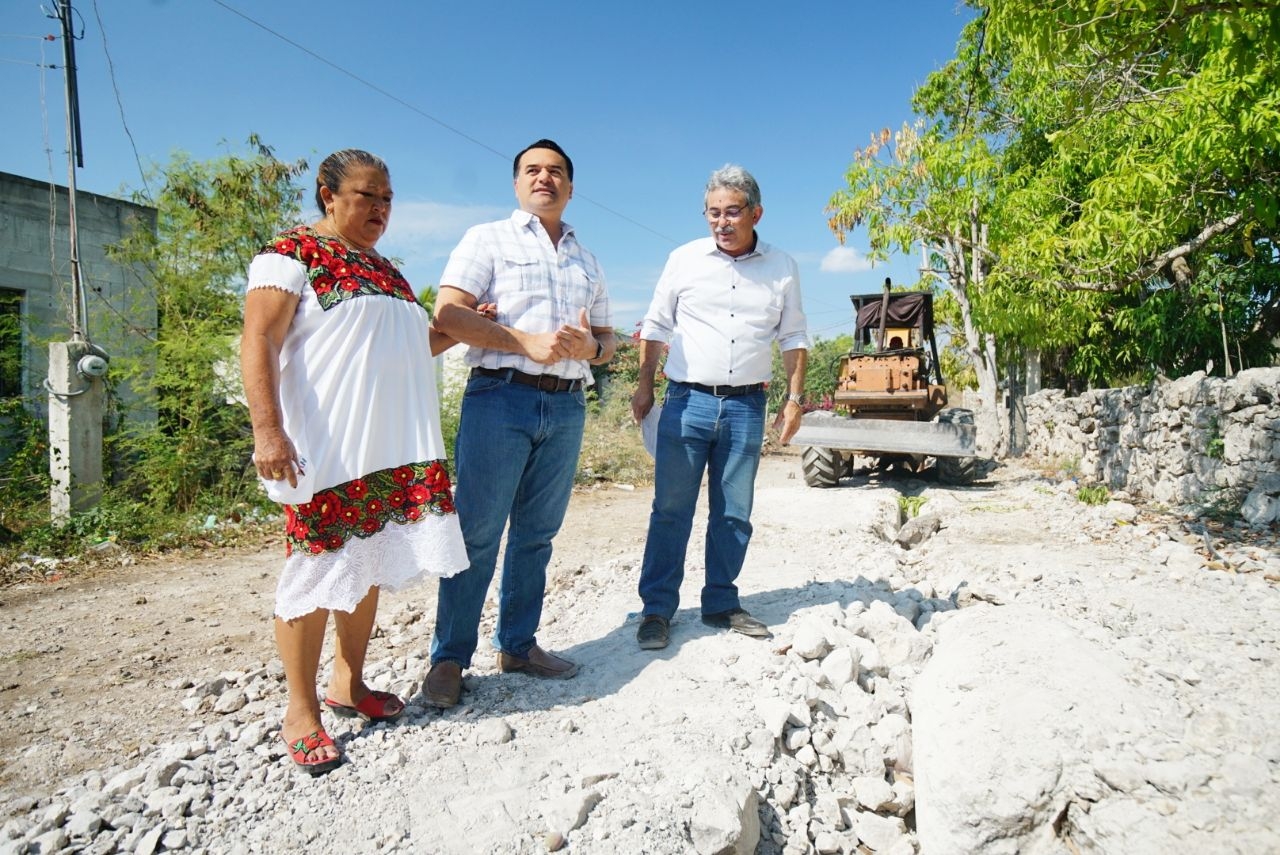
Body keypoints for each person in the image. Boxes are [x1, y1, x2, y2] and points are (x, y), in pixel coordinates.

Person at [241, 149, 475, 775]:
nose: (380, 209)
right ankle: (300, 711)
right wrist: (268, 430)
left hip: (390, 448)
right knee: (314, 571)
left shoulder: (389, 271)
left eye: (388, 198)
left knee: (365, 563)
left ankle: (348, 683)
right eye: (368, 196)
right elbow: (258, 338)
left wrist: (464, 328)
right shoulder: (291, 254)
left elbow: (409, 346)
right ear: (328, 194)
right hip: (327, 447)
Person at [424, 139, 615, 708]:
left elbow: (608, 342)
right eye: (532, 170)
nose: (544, 179)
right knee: (477, 532)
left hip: (566, 404)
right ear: (516, 183)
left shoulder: (589, 259)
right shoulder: (486, 239)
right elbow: (448, 313)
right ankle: (449, 659)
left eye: (556, 172)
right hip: (499, 398)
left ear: (571, 187)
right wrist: (523, 342)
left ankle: (518, 645)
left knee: (537, 535)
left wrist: (591, 348)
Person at [630, 164, 809, 650]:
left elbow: (793, 335)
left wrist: (794, 400)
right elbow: (655, 325)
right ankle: (657, 610)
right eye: (713, 214)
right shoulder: (683, 259)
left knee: (734, 512)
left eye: (732, 212)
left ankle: (721, 603)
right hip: (685, 401)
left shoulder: (783, 267)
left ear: (756, 213)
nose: (722, 223)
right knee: (670, 510)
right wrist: (645, 386)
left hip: (747, 407)